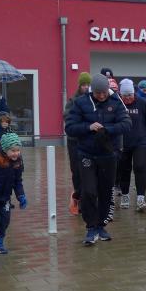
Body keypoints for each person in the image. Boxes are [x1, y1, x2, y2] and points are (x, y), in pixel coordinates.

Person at [65, 73, 131, 246]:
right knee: (89, 191)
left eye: (104, 93)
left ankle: (101, 226)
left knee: (105, 191)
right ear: (92, 91)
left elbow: (126, 124)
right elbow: (70, 127)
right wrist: (88, 127)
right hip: (86, 154)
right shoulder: (80, 102)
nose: (101, 96)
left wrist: (106, 129)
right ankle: (91, 227)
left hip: (108, 155)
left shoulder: (116, 102)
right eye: (98, 93)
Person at [117, 78, 146, 212]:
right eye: (125, 96)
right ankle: (125, 195)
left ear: (134, 93)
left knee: (140, 167)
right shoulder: (118, 104)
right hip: (123, 142)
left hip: (141, 141)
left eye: (130, 95)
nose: (128, 98)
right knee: (124, 169)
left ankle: (140, 198)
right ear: (121, 95)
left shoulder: (143, 103)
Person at [65, 72, 92, 215]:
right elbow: (67, 117)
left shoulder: (93, 100)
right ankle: (78, 197)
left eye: (88, 85)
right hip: (74, 141)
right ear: (79, 86)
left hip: (88, 141)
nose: (86, 87)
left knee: (87, 170)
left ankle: (87, 198)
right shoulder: (73, 101)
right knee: (76, 171)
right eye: (83, 85)